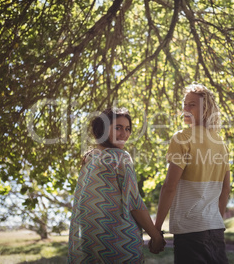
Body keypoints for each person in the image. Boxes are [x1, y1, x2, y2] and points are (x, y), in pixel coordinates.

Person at [68, 107, 165, 263]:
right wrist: (155, 236)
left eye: (127, 129)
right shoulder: (120, 157)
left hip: (88, 242)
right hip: (119, 242)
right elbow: (134, 203)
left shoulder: (90, 157)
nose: (124, 134)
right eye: (118, 128)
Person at [154, 83, 231, 263]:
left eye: (192, 105)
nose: (185, 109)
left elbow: (169, 187)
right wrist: (214, 219)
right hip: (215, 230)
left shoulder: (182, 138)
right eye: (185, 104)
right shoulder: (221, 144)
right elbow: (225, 190)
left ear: (206, 109)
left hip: (190, 231)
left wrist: (156, 228)